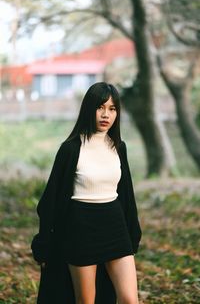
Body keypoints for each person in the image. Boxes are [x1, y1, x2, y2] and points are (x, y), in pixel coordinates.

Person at [31, 82, 142, 304]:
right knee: (86, 301)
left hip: (114, 226)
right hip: (81, 229)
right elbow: (50, 201)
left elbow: (127, 196)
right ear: (88, 109)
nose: (106, 114)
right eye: (100, 107)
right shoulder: (71, 148)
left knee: (130, 299)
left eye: (112, 109)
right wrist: (45, 243)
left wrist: (133, 232)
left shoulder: (118, 147)